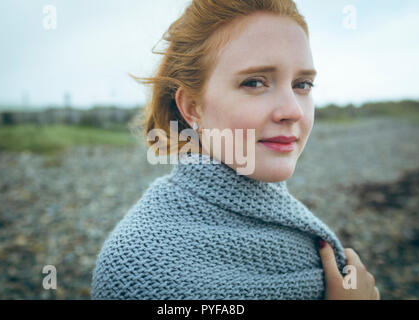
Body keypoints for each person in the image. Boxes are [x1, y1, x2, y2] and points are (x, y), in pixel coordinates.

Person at [91, 0, 379, 300]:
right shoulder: (139, 267)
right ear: (192, 107)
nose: (293, 110)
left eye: (302, 84)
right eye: (254, 82)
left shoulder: (293, 227)